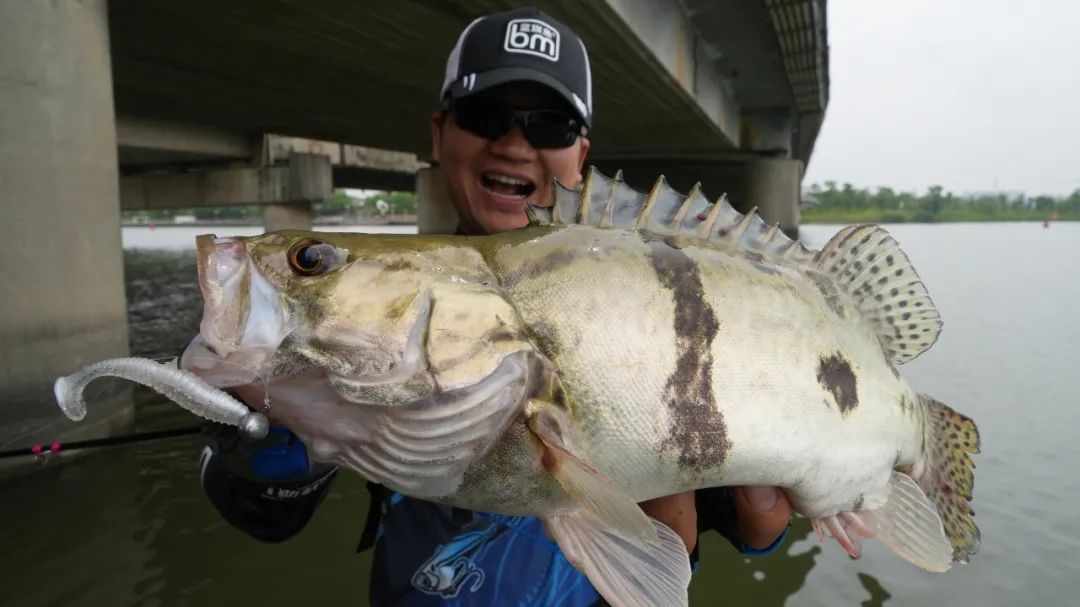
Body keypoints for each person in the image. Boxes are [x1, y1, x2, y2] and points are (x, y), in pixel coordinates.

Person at [199, 7, 791, 605]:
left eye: (550, 126)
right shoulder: (374, 340)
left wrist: (753, 523)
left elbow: (740, 517)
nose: (514, 144)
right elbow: (265, 518)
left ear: (580, 154)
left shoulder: (655, 291)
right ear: (439, 133)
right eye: (486, 115)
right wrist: (262, 460)